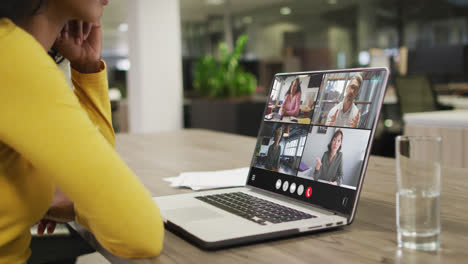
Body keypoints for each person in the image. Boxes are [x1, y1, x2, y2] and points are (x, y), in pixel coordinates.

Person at [0, 1, 164, 263]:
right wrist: (75, 205)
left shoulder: (16, 51)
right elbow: (140, 234)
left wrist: (87, 68)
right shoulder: (10, 54)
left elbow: (94, 174)